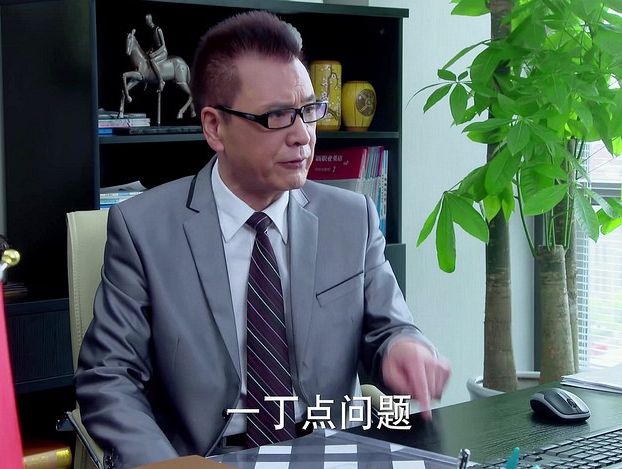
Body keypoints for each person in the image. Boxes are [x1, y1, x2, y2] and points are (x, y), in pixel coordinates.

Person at [75, 10, 451, 469]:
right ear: (214, 127)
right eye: (277, 116)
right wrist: (165, 465)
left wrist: (404, 349)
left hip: (328, 453)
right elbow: (109, 377)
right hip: (205, 459)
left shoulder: (352, 217)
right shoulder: (143, 229)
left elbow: (388, 329)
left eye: (309, 110)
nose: (302, 136)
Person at [144, 13, 165, 89]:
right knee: (145, 58)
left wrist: (155, 53)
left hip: (162, 51)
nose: (146, 21)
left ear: (150, 19)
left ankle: (161, 81)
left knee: (152, 60)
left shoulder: (158, 29)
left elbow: (163, 45)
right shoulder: (151, 30)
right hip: (156, 51)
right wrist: (149, 51)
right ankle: (146, 79)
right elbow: (153, 45)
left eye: (147, 19)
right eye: (145, 20)